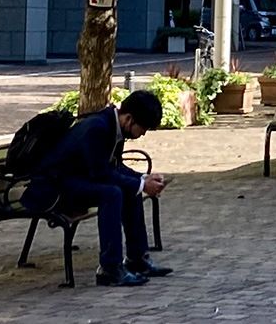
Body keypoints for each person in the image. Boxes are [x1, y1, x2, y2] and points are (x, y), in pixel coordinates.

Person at [23, 90, 172, 287]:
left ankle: (137, 259)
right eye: (142, 128)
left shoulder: (112, 125)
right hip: (53, 189)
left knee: (129, 189)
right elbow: (100, 173)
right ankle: (110, 268)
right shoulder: (98, 127)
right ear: (129, 119)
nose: (142, 134)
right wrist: (142, 185)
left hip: (74, 180)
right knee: (112, 193)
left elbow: (114, 166)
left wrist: (142, 179)